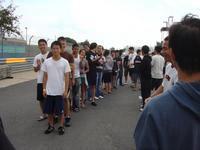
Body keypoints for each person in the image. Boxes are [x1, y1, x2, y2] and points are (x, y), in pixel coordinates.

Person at [134, 14, 200, 150]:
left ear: (174, 54)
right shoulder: (169, 68)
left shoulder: (155, 112)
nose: (164, 51)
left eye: (166, 48)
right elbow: (164, 85)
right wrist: (151, 98)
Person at [42, 41, 70, 135]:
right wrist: (44, 89)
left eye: (57, 48)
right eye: (53, 48)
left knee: (61, 111)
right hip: (49, 91)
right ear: (51, 49)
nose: (55, 50)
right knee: (50, 111)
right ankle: (51, 126)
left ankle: (61, 126)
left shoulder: (65, 62)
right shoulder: (47, 61)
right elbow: (45, 77)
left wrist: (65, 91)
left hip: (60, 92)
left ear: (60, 49)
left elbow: (67, 78)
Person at [47, 36, 74, 127]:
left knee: (66, 99)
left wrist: (72, 79)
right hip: (53, 84)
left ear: (65, 45)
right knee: (54, 100)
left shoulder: (69, 56)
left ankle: (67, 116)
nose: (62, 45)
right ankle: (55, 116)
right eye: (60, 43)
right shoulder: (51, 54)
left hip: (66, 82)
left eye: (63, 44)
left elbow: (72, 69)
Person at [145, 36, 178, 104]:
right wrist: (151, 97)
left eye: (165, 49)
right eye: (162, 49)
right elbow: (163, 86)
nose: (162, 52)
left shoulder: (182, 73)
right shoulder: (168, 66)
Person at [33, 39, 49, 121]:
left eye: (44, 44)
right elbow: (35, 70)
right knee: (41, 99)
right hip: (40, 81)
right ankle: (44, 114)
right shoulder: (37, 57)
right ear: (38, 46)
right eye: (40, 45)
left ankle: (52, 114)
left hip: (50, 81)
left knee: (50, 98)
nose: (42, 46)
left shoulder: (50, 55)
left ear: (46, 45)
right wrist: (38, 66)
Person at [139, 45, 152, 111]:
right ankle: (145, 104)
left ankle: (145, 106)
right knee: (148, 92)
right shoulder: (150, 58)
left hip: (145, 78)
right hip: (149, 78)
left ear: (143, 51)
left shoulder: (144, 59)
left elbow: (141, 69)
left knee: (145, 93)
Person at [71, 43, 81, 112]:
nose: (76, 50)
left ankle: (76, 106)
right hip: (70, 77)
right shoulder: (70, 56)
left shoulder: (80, 57)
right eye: (75, 49)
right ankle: (71, 106)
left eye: (77, 49)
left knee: (76, 93)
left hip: (78, 77)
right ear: (72, 49)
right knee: (71, 93)